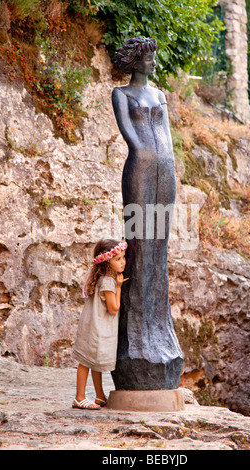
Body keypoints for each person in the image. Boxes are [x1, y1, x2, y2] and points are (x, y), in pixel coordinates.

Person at [111, 37, 183, 390]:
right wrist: (150, 159)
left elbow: (166, 137)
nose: (154, 62)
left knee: (160, 251)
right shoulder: (121, 94)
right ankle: (136, 344)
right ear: (137, 60)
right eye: (150, 57)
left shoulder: (160, 95)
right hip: (140, 170)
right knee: (139, 247)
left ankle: (162, 339)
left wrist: (167, 168)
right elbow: (132, 137)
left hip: (165, 171)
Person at [72, 239, 128, 409]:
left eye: (123, 257)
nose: (123, 262)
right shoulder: (108, 282)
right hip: (98, 327)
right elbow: (113, 308)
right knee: (86, 361)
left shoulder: (102, 277)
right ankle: (79, 397)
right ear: (106, 262)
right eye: (117, 259)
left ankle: (100, 396)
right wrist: (118, 287)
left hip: (93, 323)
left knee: (92, 361)